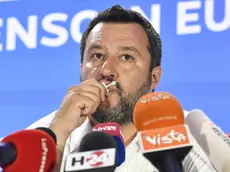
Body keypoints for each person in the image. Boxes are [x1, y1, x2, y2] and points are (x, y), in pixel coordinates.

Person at [27, 5, 217, 172]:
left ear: (154, 77)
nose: (107, 70)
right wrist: (57, 135)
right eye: (97, 56)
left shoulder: (192, 134)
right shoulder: (44, 135)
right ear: (81, 68)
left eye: (126, 57)